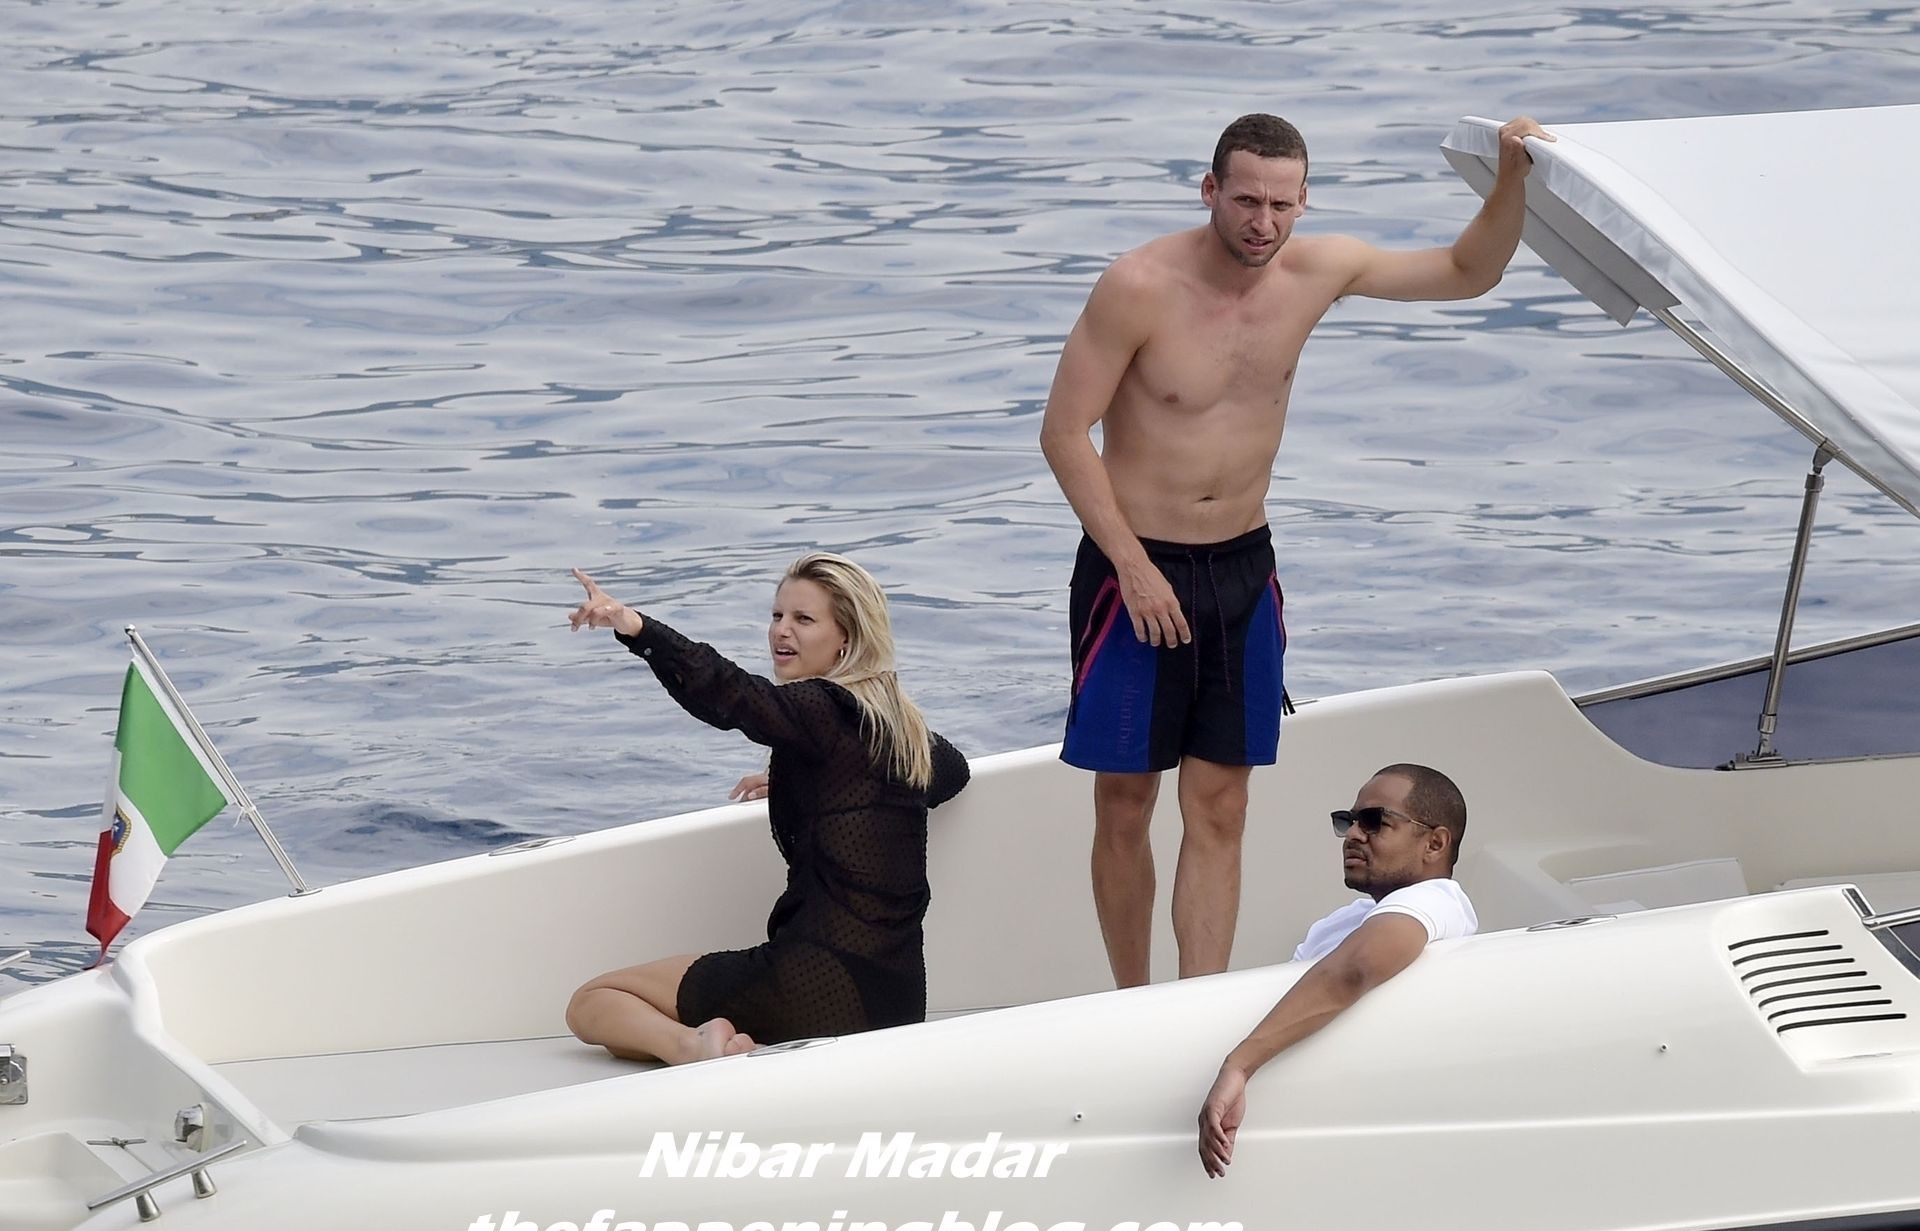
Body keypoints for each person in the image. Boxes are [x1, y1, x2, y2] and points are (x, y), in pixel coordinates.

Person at [1042, 112, 1549, 987]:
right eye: (1246, 200)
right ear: (1210, 190)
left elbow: (1470, 272)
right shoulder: (1139, 286)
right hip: (1134, 570)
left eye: (1281, 204)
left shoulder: (1319, 273)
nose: (1262, 222)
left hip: (1242, 569)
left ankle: (1197, 997)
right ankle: (1131, 1002)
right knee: (1125, 802)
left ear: (1304, 200)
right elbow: (1063, 432)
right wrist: (1132, 564)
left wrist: (1512, 179)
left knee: (1222, 803)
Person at [563, 554, 970, 1064]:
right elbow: (953, 773)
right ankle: (718, 1040)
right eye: (777, 615)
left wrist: (635, 626)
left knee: (595, 1001)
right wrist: (821, 781)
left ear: (847, 637)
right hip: (897, 999)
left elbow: (731, 694)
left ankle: (695, 1048)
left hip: (813, 985)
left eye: (804, 619)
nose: (782, 630)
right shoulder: (895, 726)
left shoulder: (819, 707)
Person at [1196, 763, 1476, 1177]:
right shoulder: (1347, 920)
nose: (1353, 834)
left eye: (1374, 821)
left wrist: (1239, 1065)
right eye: (1349, 821)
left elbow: (1353, 970)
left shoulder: (1437, 901)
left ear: (1434, 844)